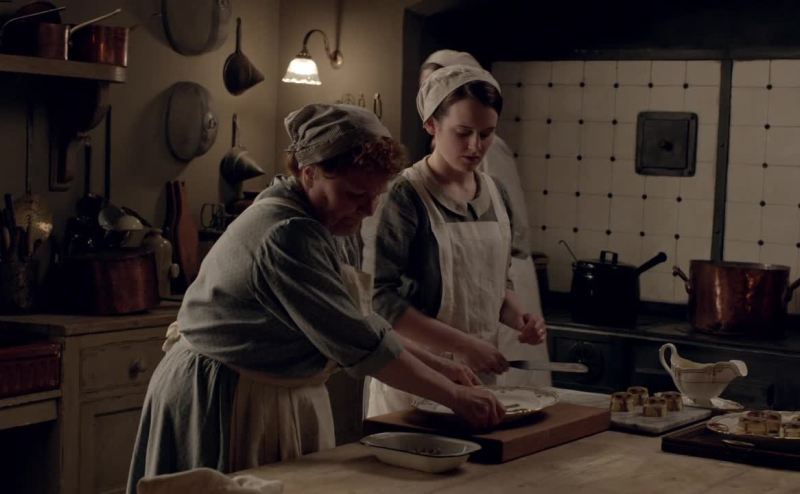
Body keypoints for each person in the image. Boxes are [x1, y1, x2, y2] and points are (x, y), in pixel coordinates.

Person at [126, 104, 505, 493]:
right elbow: (361, 344)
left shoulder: (332, 222)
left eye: (377, 194)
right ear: (309, 173)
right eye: (355, 193)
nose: (368, 208)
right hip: (226, 396)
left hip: (271, 389)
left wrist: (443, 367)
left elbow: (362, 319)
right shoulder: (288, 234)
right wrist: (456, 397)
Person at [364, 64, 548, 418]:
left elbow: (496, 284)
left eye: (486, 134)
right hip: (415, 374)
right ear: (431, 125)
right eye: (463, 132)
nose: (476, 146)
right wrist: (463, 345)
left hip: (480, 373)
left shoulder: (496, 194)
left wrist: (520, 318)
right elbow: (378, 300)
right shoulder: (404, 195)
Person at [420, 50, 552, 389]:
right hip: (438, 343)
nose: (474, 145)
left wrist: (517, 314)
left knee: (515, 390)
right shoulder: (412, 188)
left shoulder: (489, 155)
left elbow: (511, 228)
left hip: (502, 281)